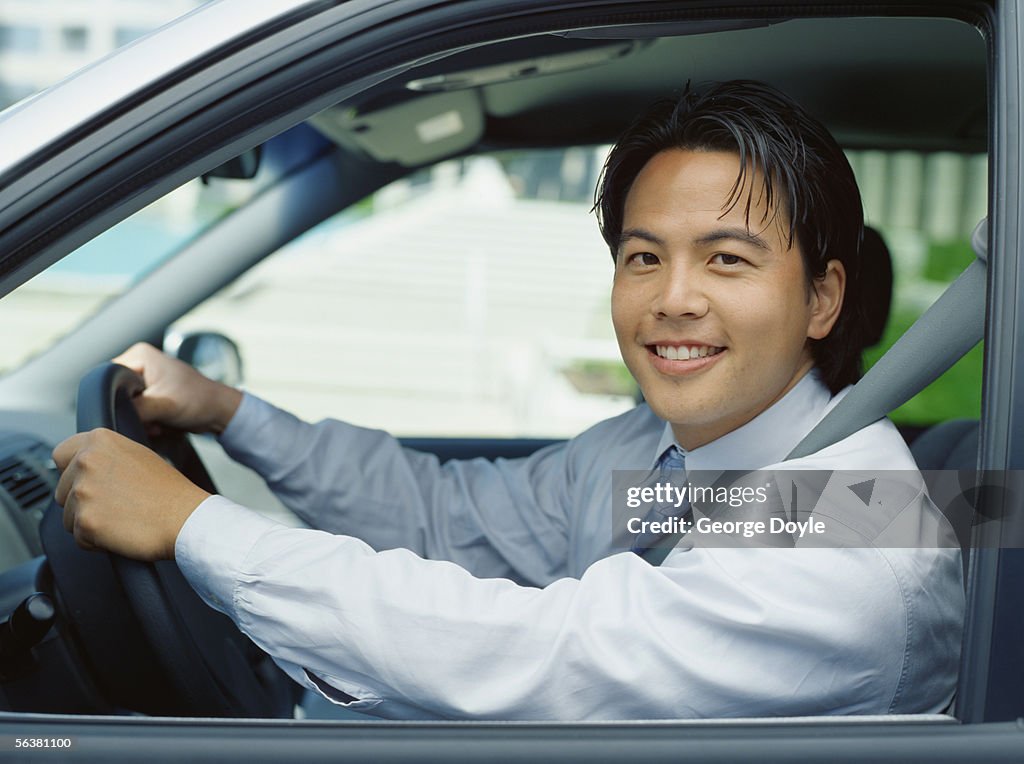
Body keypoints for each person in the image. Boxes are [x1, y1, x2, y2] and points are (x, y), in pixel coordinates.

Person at [52, 81, 964, 720]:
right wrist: (226, 413)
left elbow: (543, 654)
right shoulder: (652, 455)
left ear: (823, 298)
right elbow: (451, 515)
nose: (672, 298)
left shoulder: (860, 526)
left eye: (727, 259)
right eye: (644, 257)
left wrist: (195, 528)